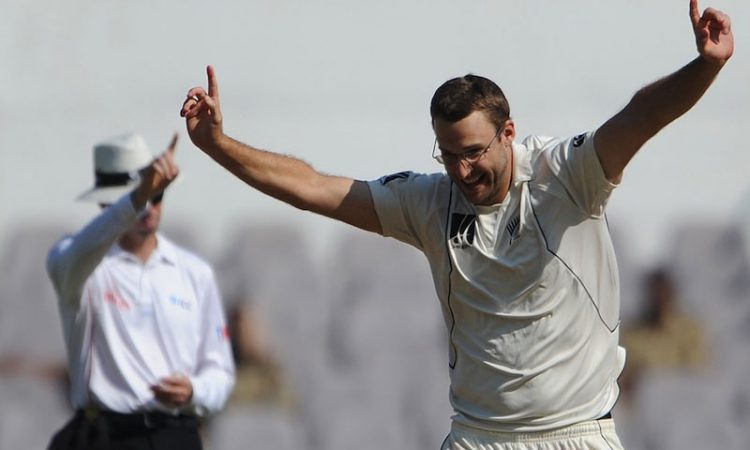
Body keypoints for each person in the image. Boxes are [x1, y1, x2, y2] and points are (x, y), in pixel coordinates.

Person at [179, 1, 732, 448]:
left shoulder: (567, 174)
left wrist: (704, 66)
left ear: (508, 132)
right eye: (448, 155)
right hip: (478, 437)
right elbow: (312, 188)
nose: (462, 171)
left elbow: (640, 116)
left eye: (473, 152)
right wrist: (219, 145)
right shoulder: (429, 201)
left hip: (576, 433)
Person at [46, 132, 235, 450]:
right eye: (138, 200)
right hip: (105, 436)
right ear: (106, 203)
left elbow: (220, 372)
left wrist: (194, 390)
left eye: (157, 196)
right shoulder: (81, 265)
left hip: (174, 435)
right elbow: (74, 256)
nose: (148, 209)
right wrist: (137, 197)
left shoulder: (195, 273)